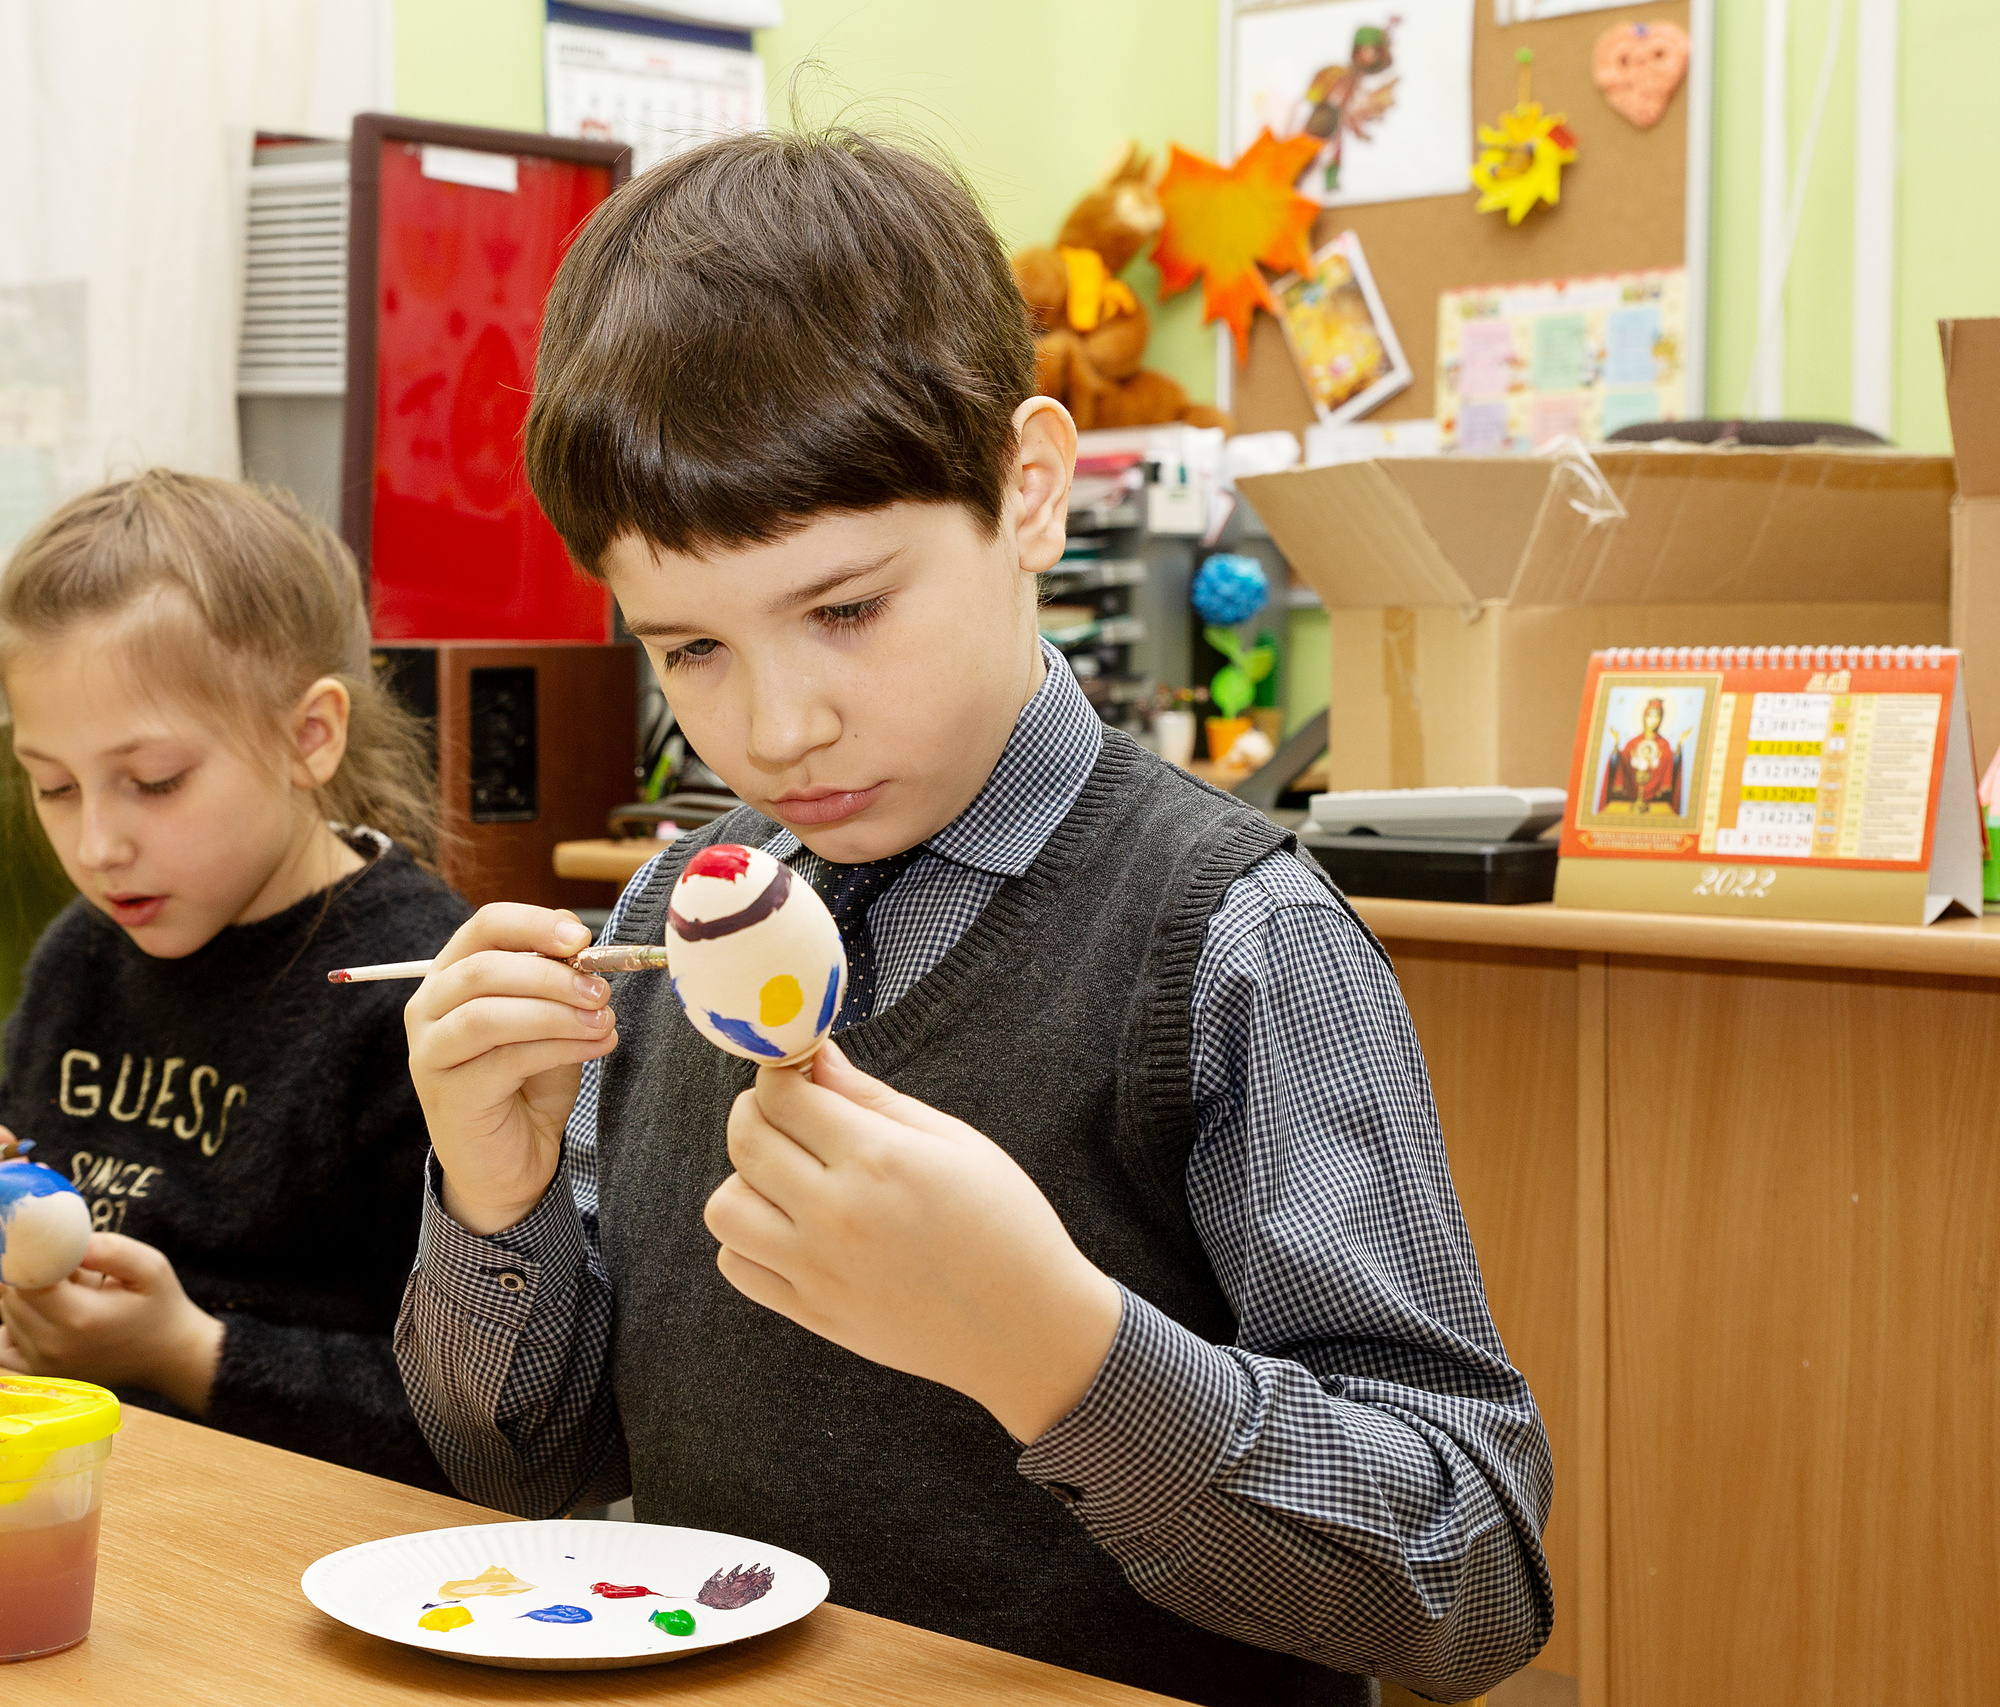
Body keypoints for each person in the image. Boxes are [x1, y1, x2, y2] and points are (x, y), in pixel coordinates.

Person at [393, 131, 1551, 1704]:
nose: (779, 725)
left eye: (848, 607)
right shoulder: (669, 912)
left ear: (1030, 490)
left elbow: (1471, 1577)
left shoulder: (1228, 939)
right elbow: (521, 1480)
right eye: (691, 649)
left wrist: (1053, 1346)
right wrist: (495, 1196)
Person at [0, 471, 466, 1490]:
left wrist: (185, 1356)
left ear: (308, 737)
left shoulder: (417, 994)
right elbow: (2, 1334)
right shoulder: (83, 958)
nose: (98, 845)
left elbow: (481, 1437)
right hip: (98, 1505)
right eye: (53, 787)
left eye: (153, 782)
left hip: (310, 1551)